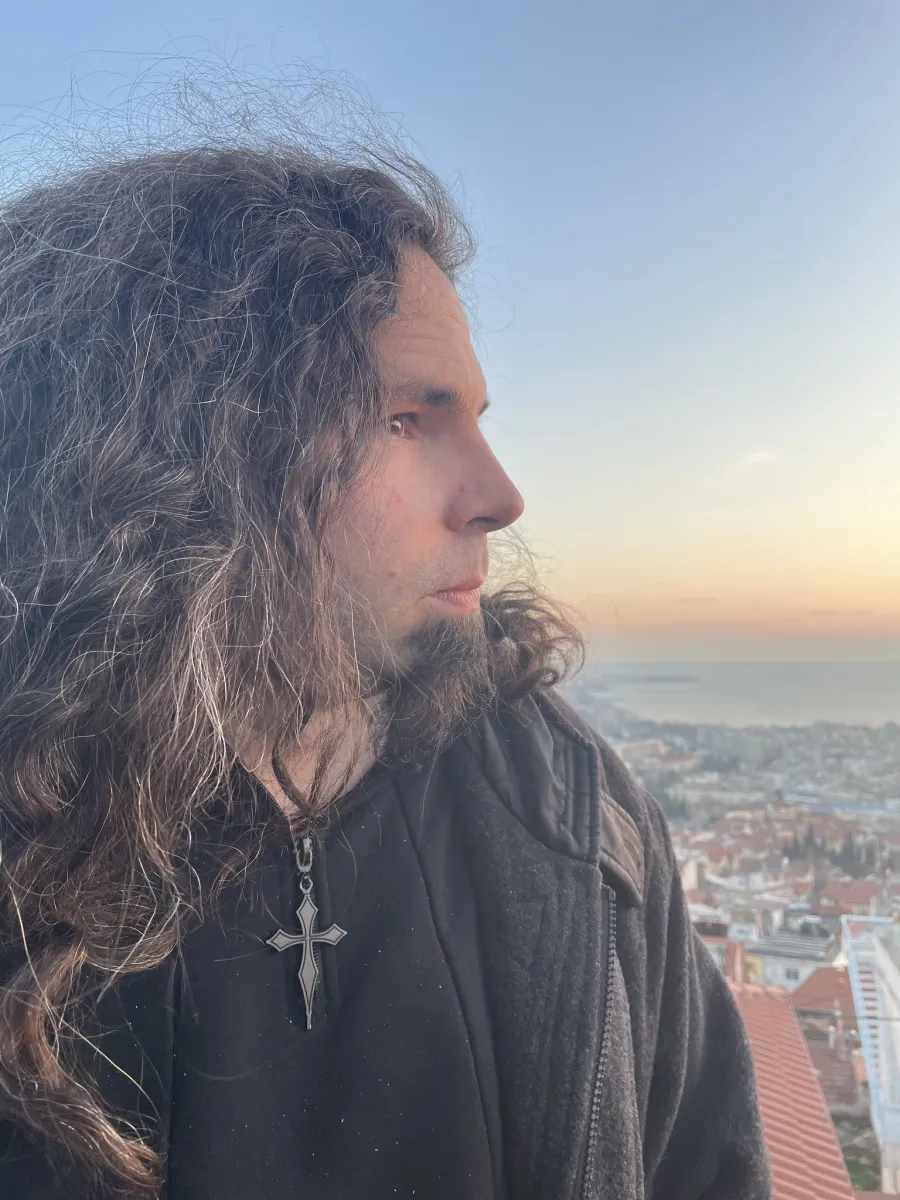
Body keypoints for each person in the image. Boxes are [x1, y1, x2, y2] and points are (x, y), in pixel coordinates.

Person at [0, 133, 771, 1200]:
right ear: (178, 454)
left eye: (477, 421)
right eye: (408, 418)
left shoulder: (575, 813)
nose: (500, 496)